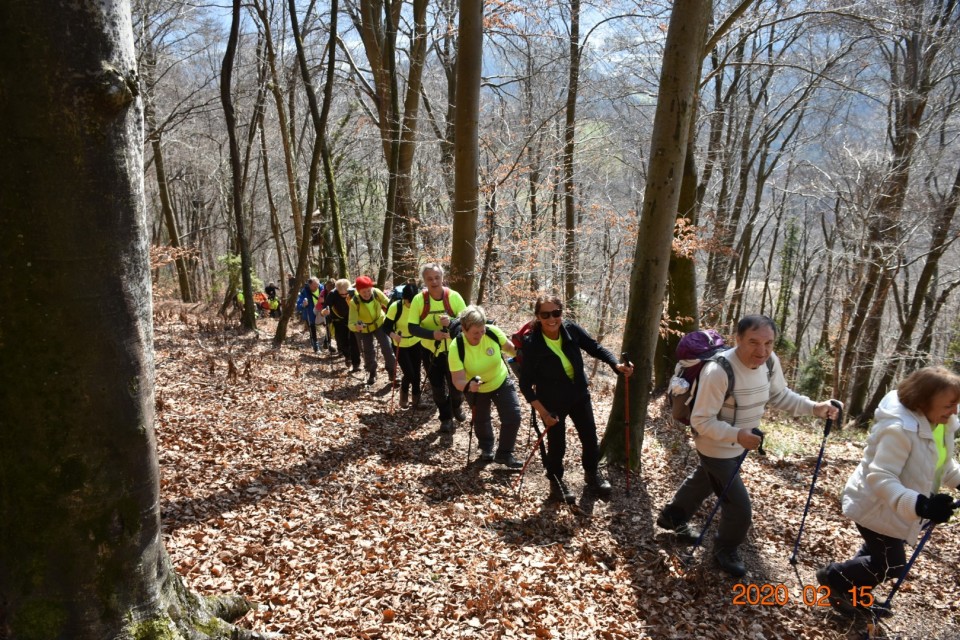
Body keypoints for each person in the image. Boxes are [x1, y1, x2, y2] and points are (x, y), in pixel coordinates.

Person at [656, 314, 840, 577]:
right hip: (715, 446)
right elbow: (701, 421)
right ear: (738, 339)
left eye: (769, 343)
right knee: (739, 509)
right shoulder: (718, 371)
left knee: (705, 480)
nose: (762, 350)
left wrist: (815, 408)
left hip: (738, 443)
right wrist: (738, 435)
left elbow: (780, 395)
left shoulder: (769, 363)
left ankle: (673, 516)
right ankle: (725, 549)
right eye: (753, 342)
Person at [816, 367, 960, 615]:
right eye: (949, 405)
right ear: (923, 402)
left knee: (876, 554)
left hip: (898, 510)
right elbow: (881, 476)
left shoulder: (941, 425)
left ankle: (855, 593)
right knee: (892, 565)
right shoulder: (899, 429)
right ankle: (834, 578)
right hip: (876, 505)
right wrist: (922, 505)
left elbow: (942, 467)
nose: (955, 411)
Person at [518, 295, 633, 503]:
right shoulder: (532, 343)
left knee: (590, 437)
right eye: (545, 314)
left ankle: (592, 474)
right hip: (552, 402)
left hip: (579, 394)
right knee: (557, 445)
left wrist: (615, 365)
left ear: (562, 313)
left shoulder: (571, 329)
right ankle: (555, 482)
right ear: (537, 316)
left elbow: (595, 347)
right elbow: (525, 385)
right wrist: (544, 413)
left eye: (556, 313)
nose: (552, 318)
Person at [449, 306, 522, 468]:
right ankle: (486, 447)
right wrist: (468, 385)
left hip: (501, 380)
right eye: (475, 333)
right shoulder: (456, 347)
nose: (480, 335)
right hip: (476, 388)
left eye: (482, 331)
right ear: (464, 329)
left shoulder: (492, 332)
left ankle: (504, 454)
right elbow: (457, 380)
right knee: (481, 420)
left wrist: (524, 356)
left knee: (513, 416)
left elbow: (510, 349)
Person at [406, 263, 468, 434]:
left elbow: (467, 324)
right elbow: (412, 327)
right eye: (429, 278)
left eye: (437, 277)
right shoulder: (420, 300)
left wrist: (451, 323)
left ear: (442, 278)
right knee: (438, 388)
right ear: (424, 281)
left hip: (454, 350)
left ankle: (456, 407)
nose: (434, 281)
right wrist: (433, 334)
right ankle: (445, 418)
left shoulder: (454, 297)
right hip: (430, 351)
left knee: (456, 389)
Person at [383, 280, 426, 408]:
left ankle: (417, 400)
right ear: (404, 298)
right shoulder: (396, 307)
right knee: (409, 373)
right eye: (409, 301)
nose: (412, 304)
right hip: (399, 344)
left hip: (415, 341)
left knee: (417, 373)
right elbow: (385, 327)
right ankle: (404, 393)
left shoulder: (420, 305)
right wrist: (393, 335)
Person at [348, 275, 397, 386]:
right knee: (368, 351)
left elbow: (389, 304)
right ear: (358, 291)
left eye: (369, 290)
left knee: (387, 347)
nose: (367, 294)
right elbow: (351, 323)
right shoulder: (354, 302)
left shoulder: (376, 292)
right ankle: (372, 372)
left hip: (380, 323)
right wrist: (356, 327)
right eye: (364, 292)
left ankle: (391, 372)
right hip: (364, 328)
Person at [320, 279, 360, 372]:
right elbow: (325, 307)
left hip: (352, 319)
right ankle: (347, 356)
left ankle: (356, 364)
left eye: (346, 294)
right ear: (337, 290)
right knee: (342, 341)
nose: (344, 296)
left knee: (354, 342)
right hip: (338, 320)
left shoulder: (354, 293)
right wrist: (324, 312)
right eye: (341, 294)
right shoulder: (332, 294)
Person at [296, 277, 323, 352]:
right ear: (309, 285)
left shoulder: (322, 288)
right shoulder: (304, 291)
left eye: (317, 285)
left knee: (328, 325)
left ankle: (327, 343)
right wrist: (303, 305)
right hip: (310, 313)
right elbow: (298, 306)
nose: (316, 287)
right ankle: (316, 346)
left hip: (321, 312)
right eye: (314, 286)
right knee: (312, 329)